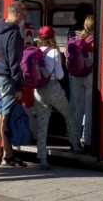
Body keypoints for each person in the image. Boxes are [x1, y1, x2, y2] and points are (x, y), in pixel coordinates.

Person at [34, 26, 81, 170]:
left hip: (38, 90)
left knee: (42, 125)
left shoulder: (35, 52)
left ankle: (43, 160)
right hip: (53, 88)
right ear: (52, 37)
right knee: (68, 114)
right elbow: (60, 75)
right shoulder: (54, 52)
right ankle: (75, 145)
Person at [0, 1, 27, 167]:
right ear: (18, 15)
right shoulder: (15, 34)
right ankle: (7, 155)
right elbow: (14, 62)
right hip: (7, 79)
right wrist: (19, 86)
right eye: (23, 16)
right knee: (6, 116)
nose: (23, 20)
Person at [72, 14, 94, 152]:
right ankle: (87, 140)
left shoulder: (78, 38)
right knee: (89, 109)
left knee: (78, 109)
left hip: (76, 76)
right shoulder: (93, 41)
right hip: (89, 76)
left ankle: (74, 139)